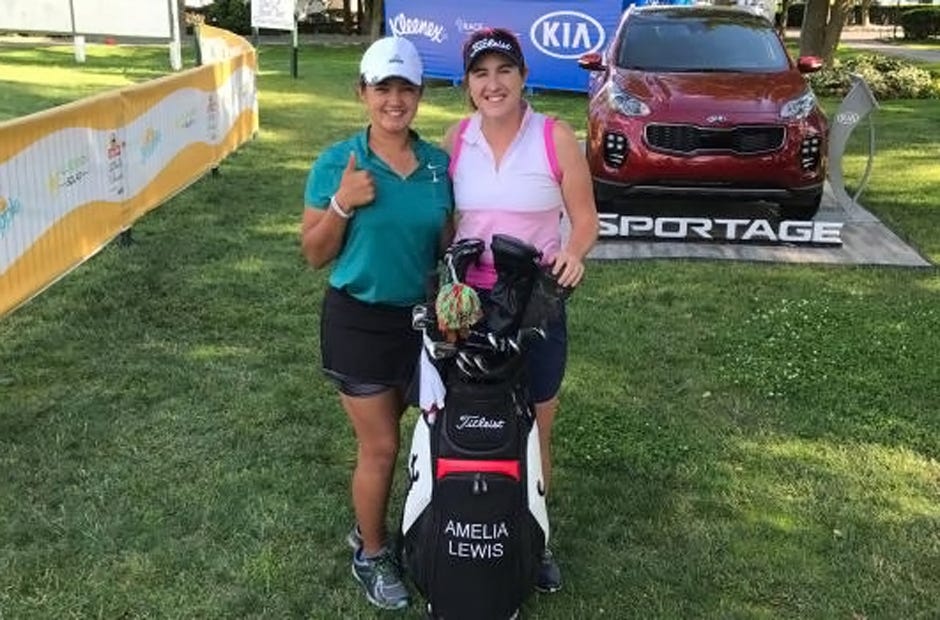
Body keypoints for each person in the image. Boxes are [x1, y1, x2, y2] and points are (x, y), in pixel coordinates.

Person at [444, 27, 599, 594]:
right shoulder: (455, 139)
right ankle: (467, 523)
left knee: (535, 425)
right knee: (468, 423)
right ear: (467, 85)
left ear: (523, 77)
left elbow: (585, 219)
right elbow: (446, 225)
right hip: (469, 308)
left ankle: (534, 542)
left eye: (503, 71)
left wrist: (573, 252)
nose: (493, 84)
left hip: (536, 302)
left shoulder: (555, 136)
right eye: (480, 74)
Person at [300, 36, 452, 611]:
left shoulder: (438, 164)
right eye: (382, 87)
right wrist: (343, 201)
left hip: (424, 322)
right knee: (382, 445)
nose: (394, 100)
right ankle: (370, 551)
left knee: (436, 435)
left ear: (419, 94)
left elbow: (445, 241)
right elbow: (314, 254)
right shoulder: (339, 162)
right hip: (359, 321)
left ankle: (425, 529)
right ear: (362, 92)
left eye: (405, 88)